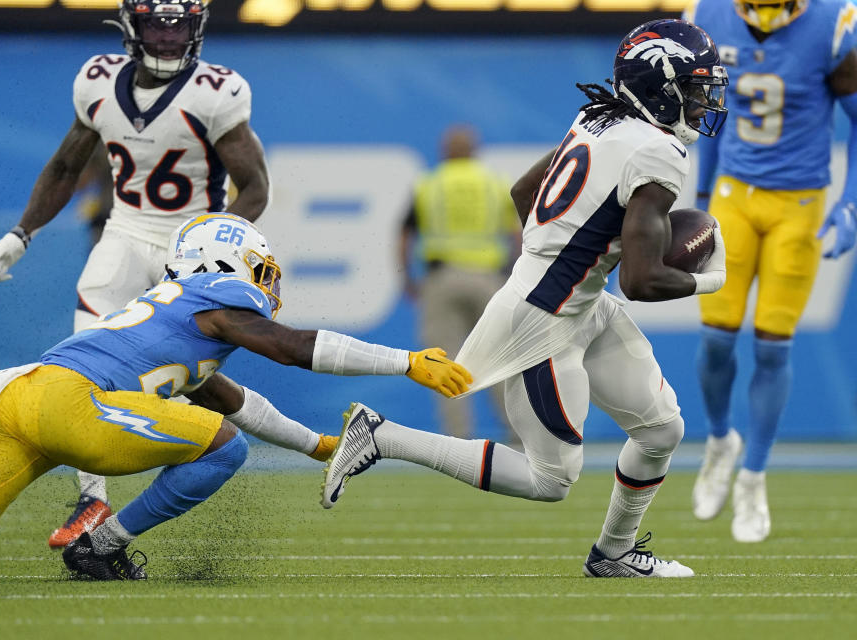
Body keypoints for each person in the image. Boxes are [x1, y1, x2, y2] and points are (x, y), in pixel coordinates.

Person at [322, 19, 729, 578]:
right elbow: (642, 282)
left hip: (573, 298)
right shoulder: (657, 153)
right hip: (547, 316)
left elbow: (523, 190)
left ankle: (614, 554)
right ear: (660, 84)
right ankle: (383, 436)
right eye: (695, 87)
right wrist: (711, 278)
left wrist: (561, 253)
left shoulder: (598, 117)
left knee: (662, 429)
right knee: (551, 479)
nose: (704, 102)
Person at [0, 213, 470, 580]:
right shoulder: (215, 292)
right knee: (224, 449)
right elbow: (291, 347)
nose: (267, 284)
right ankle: (100, 548)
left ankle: (96, 545)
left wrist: (319, 446)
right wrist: (406, 361)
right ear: (231, 264)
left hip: (18, 400)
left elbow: (237, 400)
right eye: (261, 270)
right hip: (74, 404)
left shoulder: (171, 316)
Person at [0, 0, 271, 547]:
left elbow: (255, 186)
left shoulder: (216, 91)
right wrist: (21, 234)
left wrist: (215, 246)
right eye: (156, 24)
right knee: (84, 353)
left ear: (197, 28)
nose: (167, 37)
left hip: (191, 242)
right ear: (131, 28)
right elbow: (67, 165)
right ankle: (93, 501)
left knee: (200, 384)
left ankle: (317, 445)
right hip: (125, 230)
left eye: (179, 24)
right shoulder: (97, 81)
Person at [685, 0, 857, 543]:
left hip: (798, 204)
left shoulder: (833, 25)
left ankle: (754, 478)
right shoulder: (710, 14)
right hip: (736, 196)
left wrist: (852, 201)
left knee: (773, 347)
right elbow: (712, 116)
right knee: (716, 340)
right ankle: (719, 443)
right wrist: (704, 197)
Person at [399, 125, 521, 440]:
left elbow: (405, 234)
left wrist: (407, 279)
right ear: (475, 151)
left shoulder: (430, 184)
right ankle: (519, 437)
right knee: (499, 361)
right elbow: (517, 233)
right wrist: (511, 274)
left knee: (442, 363)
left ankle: (458, 441)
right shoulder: (493, 183)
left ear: (445, 152)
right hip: (488, 279)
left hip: (441, 279)